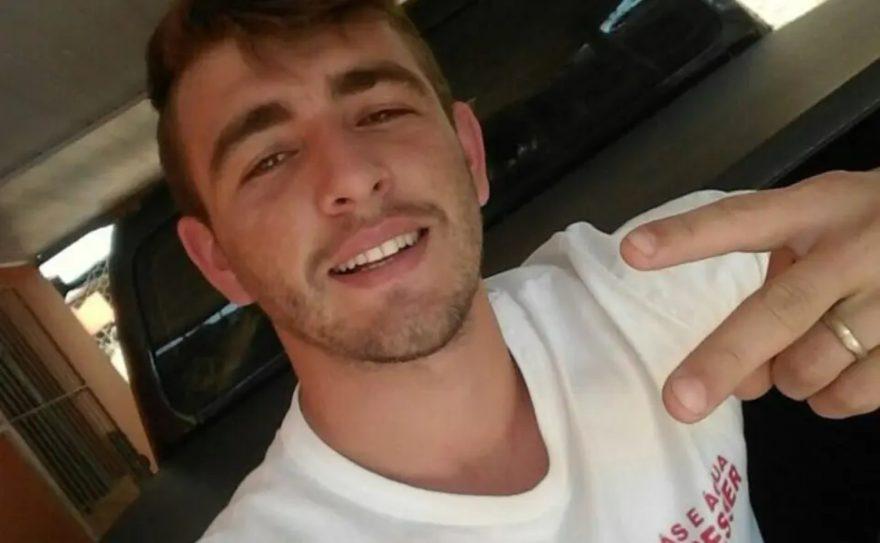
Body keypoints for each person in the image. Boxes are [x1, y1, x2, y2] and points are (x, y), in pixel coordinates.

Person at [145, 1, 880, 540]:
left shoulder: (640, 289)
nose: (351, 176)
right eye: (270, 159)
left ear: (469, 154)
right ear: (220, 262)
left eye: (380, 113)